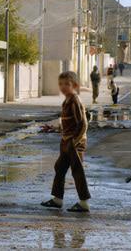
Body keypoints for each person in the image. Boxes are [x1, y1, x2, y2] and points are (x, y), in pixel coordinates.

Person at [41, 71, 91, 213]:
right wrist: (56, 128)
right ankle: (57, 200)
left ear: (74, 85)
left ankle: (84, 202)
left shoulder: (75, 100)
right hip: (66, 141)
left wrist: (75, 141)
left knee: (77, 171)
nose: (63, 87)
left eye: (67, 84)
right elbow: (67, 122)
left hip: (75, 143)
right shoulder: (66, 100)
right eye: (60, 84)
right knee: (60, 168)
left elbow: (82, 123)